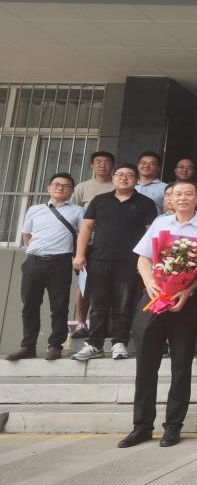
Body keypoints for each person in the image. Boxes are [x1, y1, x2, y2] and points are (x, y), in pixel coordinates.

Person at [118, 180, 197, 448]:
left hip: (186, 303)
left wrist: (187, 290)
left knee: (181, 366)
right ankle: (141, 426)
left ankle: (173, 426)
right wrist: (150, 283)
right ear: (170, 198)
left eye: (188, 193)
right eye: (177, 194)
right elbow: (143, 258)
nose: (182, 198)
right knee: (145, 366)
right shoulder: (161, 223)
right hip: (153, 300)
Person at [71, 164, 157, 361]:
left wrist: (149, 263)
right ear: (113, 178)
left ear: (136, 179)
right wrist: (80, 254)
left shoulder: (145, 203)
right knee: (98, 304)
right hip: (99, 260)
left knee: (124, 304)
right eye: (119, 175)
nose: (124, 178)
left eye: (129, 175)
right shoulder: (99, 200)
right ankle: (95, 345)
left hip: (130, 262)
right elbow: (86, 228)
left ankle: (120, 342)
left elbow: (150, 233)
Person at [6, 172, 83, 361]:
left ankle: (55, 345)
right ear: (49, 188)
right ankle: (28, 346)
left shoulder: (78, 211)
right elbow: (26, 235)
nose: (60, 188)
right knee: (30, 305)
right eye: (56, 184)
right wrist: (34, 250)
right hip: (34, 262)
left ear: (71, 191)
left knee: (59, 306)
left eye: (65, 185)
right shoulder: (35, 209)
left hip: (60, 262)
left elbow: (83, 236)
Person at [69, 151, 115, 339]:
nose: (102, 165)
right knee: (85, 284)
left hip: (114, 243)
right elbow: (73, 215)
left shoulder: (118, 185)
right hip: (88, 243)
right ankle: (81, 323)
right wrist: (77, 249)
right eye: (98, 162)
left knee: (112, 285)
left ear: (113, 166)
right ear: (91, 166)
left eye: (107, 162)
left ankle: (108, 325)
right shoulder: (82, 187)